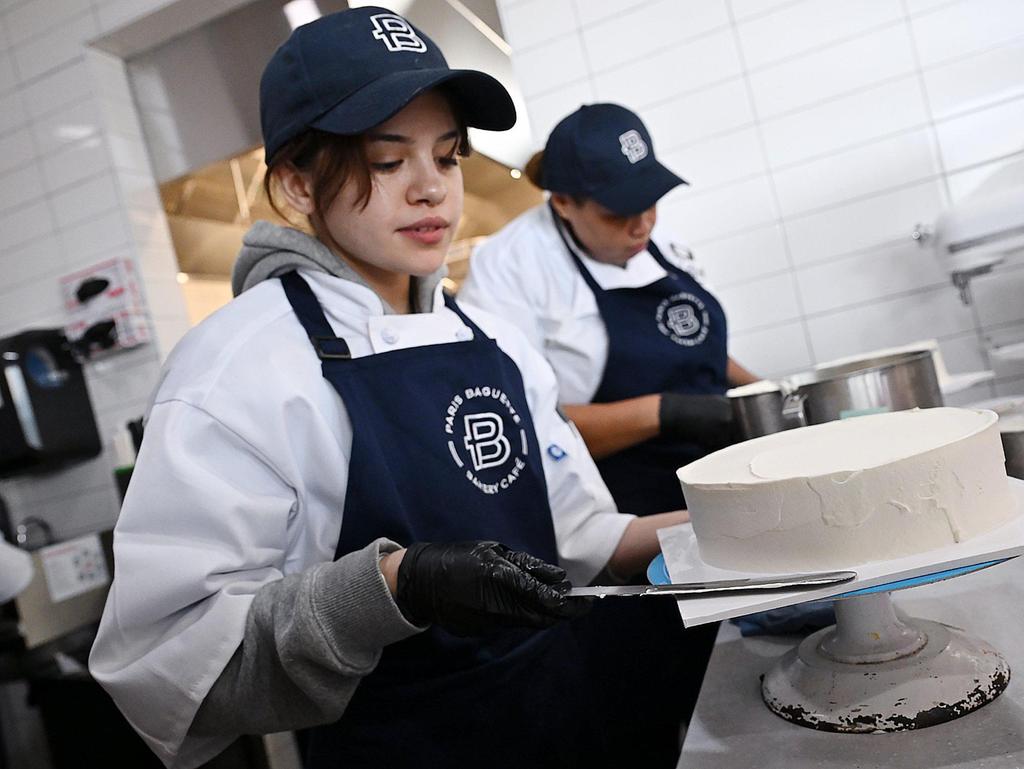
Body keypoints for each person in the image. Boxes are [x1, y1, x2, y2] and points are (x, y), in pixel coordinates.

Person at [89, 10, 685, 769]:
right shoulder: (235, 367)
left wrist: (726, 518)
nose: (431, 189)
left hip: (567, 721)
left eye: (446, 155)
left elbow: (587, 540)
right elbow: (165, 660)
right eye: (385, 160)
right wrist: (398, 586)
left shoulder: (493, 341)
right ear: (297, 184)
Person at [461, 104, 762, 767]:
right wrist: (668, 411)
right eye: (620, 210)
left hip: (706, 501)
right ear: (563, 201)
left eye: (650, 201)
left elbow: (706, 350)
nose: (642, 222)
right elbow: (523, 431)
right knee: (644, 710)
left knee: (736, 690)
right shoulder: (511, 271)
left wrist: (767, 396)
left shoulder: (655, 243)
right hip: (617, 522)